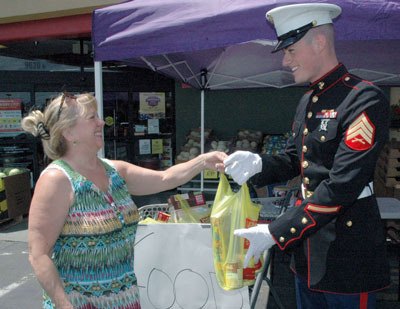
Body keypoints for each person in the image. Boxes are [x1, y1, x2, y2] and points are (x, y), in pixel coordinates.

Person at [224, 3, 390, 309]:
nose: (286, 61)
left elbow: (342, 185)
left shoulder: (364, 98)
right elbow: (293, 159)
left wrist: (277, 231)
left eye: (291, 50)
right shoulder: (307, 101)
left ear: (320, 42)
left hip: (347, 256)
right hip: (307, 257)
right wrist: (258, 163)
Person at [21, 92, 227, 309]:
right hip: (81, 303)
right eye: (92, 118)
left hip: (125, 301)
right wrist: (65, 306)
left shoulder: (114, 171)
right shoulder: (57, 180)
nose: (101, 122)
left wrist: (203, 161)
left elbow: (166, 178)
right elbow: (39, 255)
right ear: (69, 131)